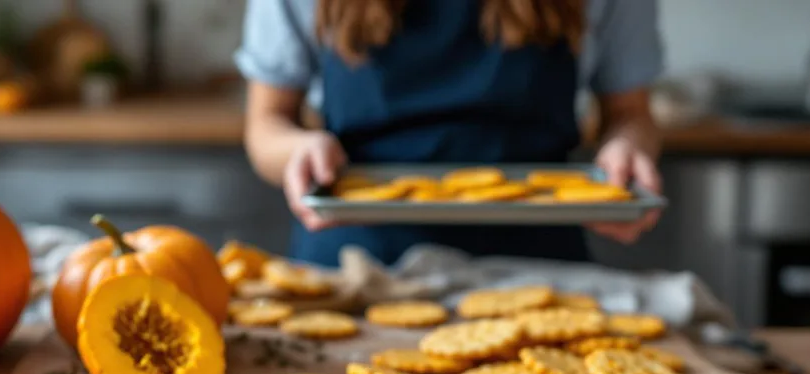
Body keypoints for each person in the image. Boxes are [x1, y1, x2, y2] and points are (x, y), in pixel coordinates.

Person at [236, 0, 664, 267]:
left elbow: (630, 113)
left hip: (539, 265)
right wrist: (300, 149)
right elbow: (267, 122)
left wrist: (626, 149)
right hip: (355, 268)